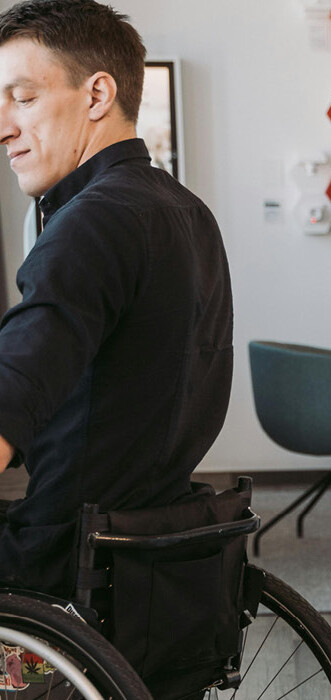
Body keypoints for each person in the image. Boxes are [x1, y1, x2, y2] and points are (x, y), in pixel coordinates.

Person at [0, 0, 233, 599]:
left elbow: (12, 388)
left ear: (97, 96)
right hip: (155, 544)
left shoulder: (90, 223)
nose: (3, 126)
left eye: (23, 98)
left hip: (65, 557)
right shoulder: (185, 210)